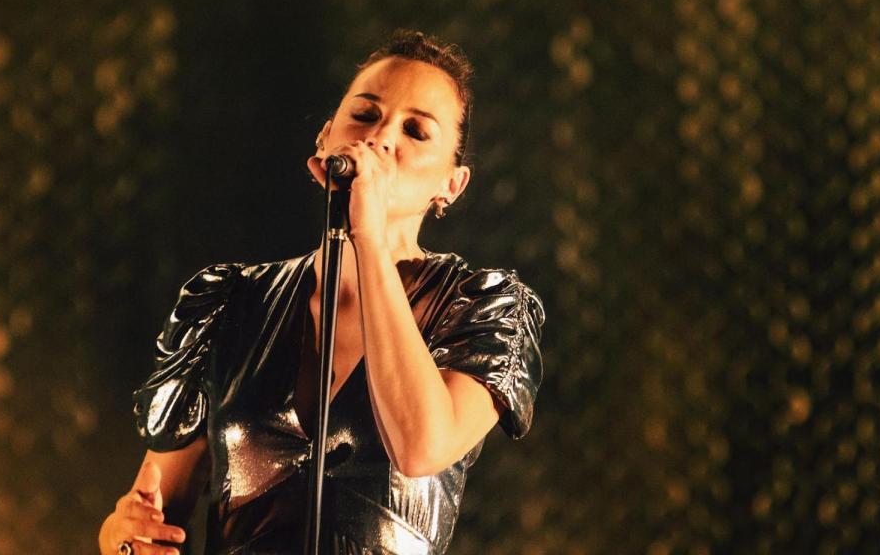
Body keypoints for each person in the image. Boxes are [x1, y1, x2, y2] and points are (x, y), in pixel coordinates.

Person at [98, 29, 545, 555]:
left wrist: (370, 238)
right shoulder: (229, 302)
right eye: (365, 114)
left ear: (452, 184)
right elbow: (152, 508)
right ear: (326, 138)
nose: (381, 137)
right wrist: (120, 537)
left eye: (416, 130)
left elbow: (423, 446)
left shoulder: (482, 308)